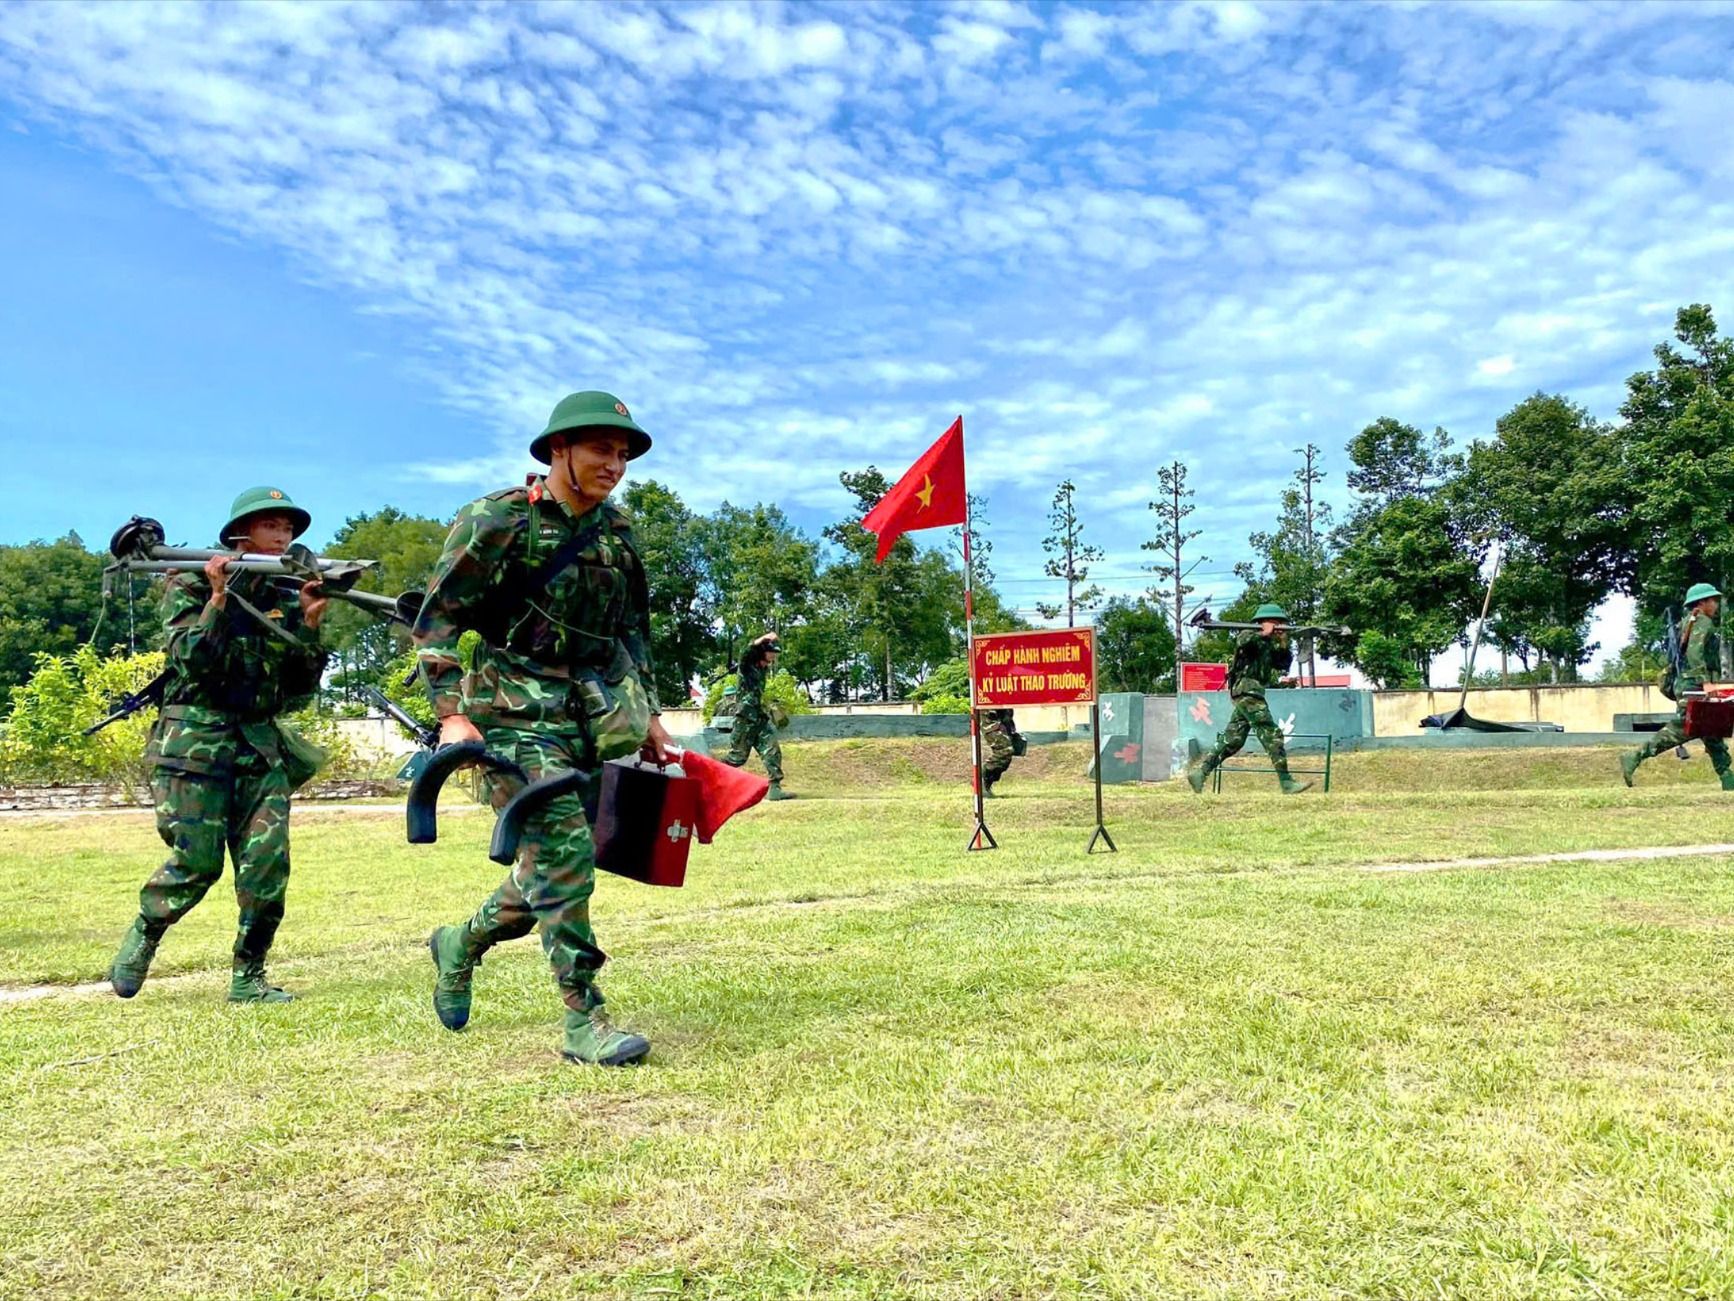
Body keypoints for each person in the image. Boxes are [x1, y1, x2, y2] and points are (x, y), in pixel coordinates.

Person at [417, 390, 673, 1068]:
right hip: (508, 715)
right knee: (562, 847)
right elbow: (438, 620)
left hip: (589, 719)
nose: (614, 464)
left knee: (559, 863)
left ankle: (459, 943)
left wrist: (646, 715)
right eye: (600, 449)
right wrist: (452, 713)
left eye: (622, 453)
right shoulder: (497, 520)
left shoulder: (617, 535)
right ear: (558, 449)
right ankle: (584, 1018)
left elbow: (628, 634)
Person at [109, 487, 331, 1003]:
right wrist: (217, 600)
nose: (284, 536)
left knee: (267, 867)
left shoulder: (287, 591)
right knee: (197, 864)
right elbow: (193, 660)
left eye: (289, 527)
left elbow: (296, 691)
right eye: (271, 525)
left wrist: (311, 625)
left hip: (259, 745)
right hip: (195, 743)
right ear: (241, 531)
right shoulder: (187, 578)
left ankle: (248, 975)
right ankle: (147, 930)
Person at [1185, 603, 1312, 795]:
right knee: (1271, 733)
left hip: (1253, 692)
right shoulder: (1248, 634)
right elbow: (1243, 642)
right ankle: (1286, 782)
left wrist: (1284, 643)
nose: (1279, 626)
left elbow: (1283, 664)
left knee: (1233, 739)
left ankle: (1200, 773)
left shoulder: (1269, 644)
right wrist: (1263, 633)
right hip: (1246, 690)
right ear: (1263, 622)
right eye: (1276, 622)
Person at [1623, 582, 1732, 789]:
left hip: (1687, 683)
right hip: (1695, 684)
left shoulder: (1688, 622)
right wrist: (1706, 682)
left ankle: (1727, 777)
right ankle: (1635, 755)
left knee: (1711, 728)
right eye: (1713, 600)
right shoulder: (1702, 622)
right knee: (1685, 728)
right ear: (1702, 602)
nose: (1716, 604)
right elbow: (1694, 653)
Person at [721, 632, 792, 800]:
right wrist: (764, 638)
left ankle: (775, 788)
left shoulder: (763, 669)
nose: (774, 655)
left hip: (759, 718)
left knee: (772, 749)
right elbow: (746, 652)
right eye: (772, 651)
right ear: (763, 651)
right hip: (745, 719)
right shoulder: (746, 666)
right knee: (736, 758)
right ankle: (709, 776)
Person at [980, 708, 1023, 796]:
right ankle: (980, 780)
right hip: (990, 718)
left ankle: (986, 783)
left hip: (1003, 717)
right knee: (1005, 750)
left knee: (1007, 756)